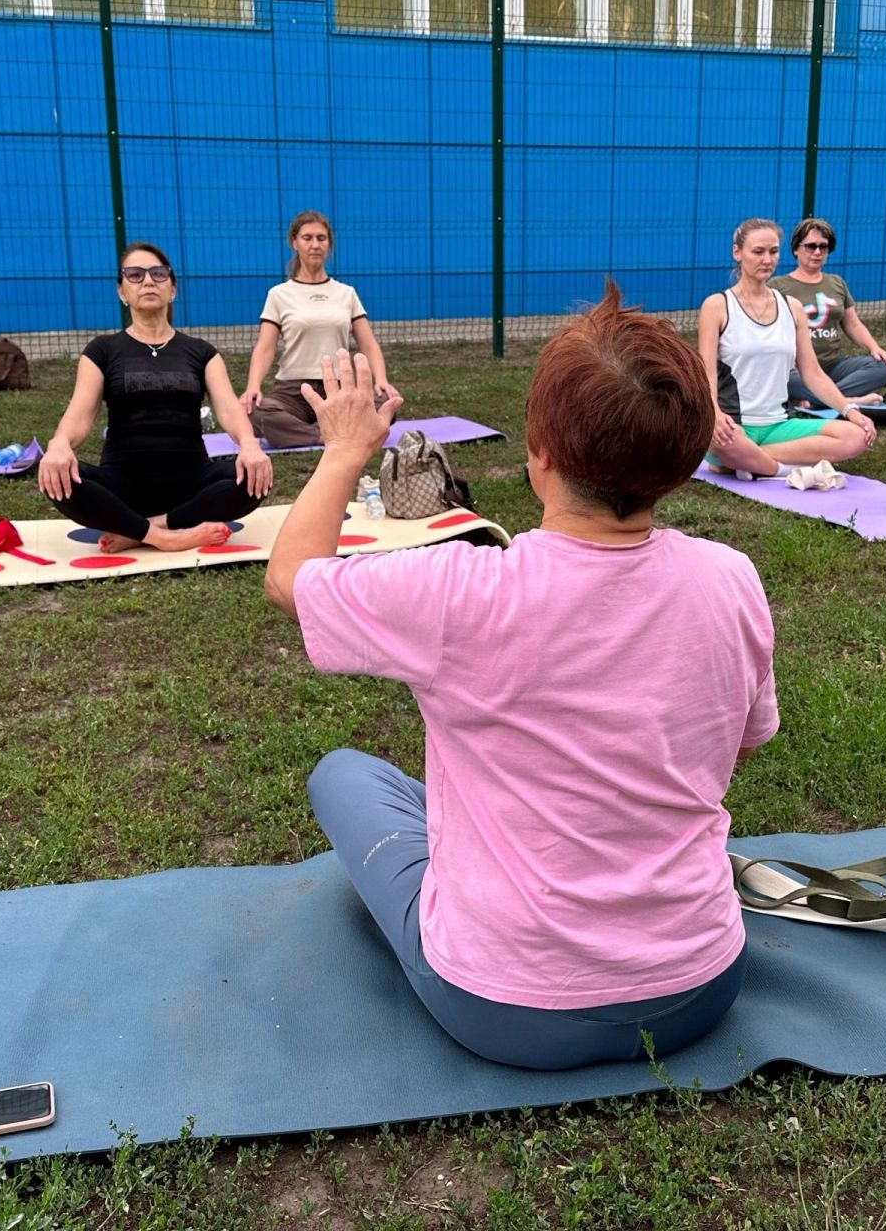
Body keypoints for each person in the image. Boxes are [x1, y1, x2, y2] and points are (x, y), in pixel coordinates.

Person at [264, 286, 777, 1072]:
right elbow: (739, 748)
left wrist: (343, 450)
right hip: (701, 983)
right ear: (681, 460)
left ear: (538, 454)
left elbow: (290, 578)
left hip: (504, 1005)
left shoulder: (461, 589)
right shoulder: (730, 578)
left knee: (345, 774)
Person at [38, 243, 271, 551]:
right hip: (121, 484)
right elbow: (80, 414)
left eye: (158, 274)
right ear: (122, 292)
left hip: (192, 482)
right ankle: (166, 538)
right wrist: (59, 444)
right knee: (61, 478)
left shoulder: (202, 352)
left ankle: (147, 528)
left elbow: (228, 409)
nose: (148, 281)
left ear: (172, 288)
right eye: (134, 275)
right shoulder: (102, 350)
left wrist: (250, 445)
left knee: (253, 477)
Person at [697, 219, 876, 478]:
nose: (767, 260)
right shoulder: (717, 305)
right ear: (738, 253)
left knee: (855, 437)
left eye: (773, 251)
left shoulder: (792, 307)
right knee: (725, 442)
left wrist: (849, 410)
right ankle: (780, 468)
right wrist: (713, 413)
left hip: (778, 427)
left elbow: (812, 373)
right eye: (758, 252)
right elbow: (706, 372)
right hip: (733, 426)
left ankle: (748, 463)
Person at [241, 211, 399, 448]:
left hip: (338, 389)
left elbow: (368, 343)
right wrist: (253, 386)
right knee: (254, 412)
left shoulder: (346, 293)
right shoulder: (278, 294)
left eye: (321, 238)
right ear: (294, 242)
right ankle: (326, 434)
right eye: (307, 238)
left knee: (388, 402)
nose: (315, 245)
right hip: (293, 392)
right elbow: (265, 347)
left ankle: (318, 430)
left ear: (329, 244)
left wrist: (382, 379)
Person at [770, 217, 886, 409]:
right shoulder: (777, 286)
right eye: (811, 246)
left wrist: (874, 348)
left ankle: (819, 401)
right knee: (780, 377)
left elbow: (853, 324)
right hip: (796, 368)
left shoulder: (836, 282)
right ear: (796, 249)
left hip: (833, 366)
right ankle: (846, 401)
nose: (817, 252)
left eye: (824, 246)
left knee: (883, 367)